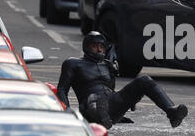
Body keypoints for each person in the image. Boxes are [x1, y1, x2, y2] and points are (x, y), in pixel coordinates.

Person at [57, 31, 188, 129]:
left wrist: (128, 103)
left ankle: (172, 113)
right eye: (95, 46)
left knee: (144, 80)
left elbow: (111, 90)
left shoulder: (107, 64)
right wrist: (67, 113)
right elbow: (62, 89)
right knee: (94, 99)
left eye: (102, 46)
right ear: (86, 47)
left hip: (110, 104)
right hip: (89, 107)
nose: (99, 49)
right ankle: (102, 118)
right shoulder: (73, 63)